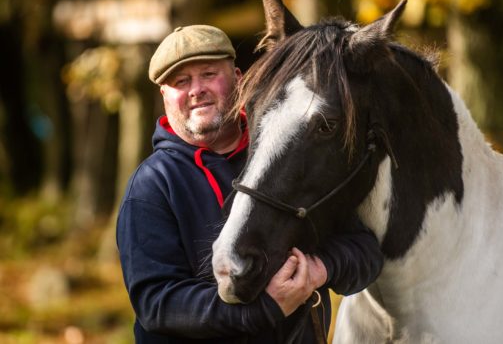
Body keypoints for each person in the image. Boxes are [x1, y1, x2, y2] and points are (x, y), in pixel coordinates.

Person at [116, 25, 384, 343]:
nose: (196, 89)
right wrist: (264, 309)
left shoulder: (290, 157)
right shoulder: (151, 186)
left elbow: (365, 251)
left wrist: (319, 269)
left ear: (239, 78)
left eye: (208, 73)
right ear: (165, 97)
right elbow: (158, 304)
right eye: (181, 81)